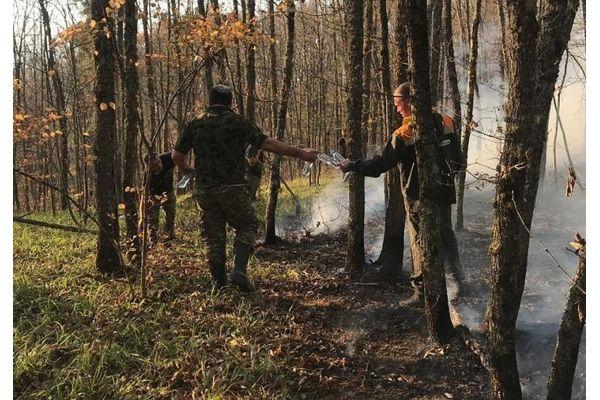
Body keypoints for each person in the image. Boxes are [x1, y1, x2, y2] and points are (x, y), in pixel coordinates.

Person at [171, 84, 318, 291]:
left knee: (214, 236)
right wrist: (301, 153)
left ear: (210, 100)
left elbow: (176, 156)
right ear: (230, 102)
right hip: (232, 186)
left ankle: (219, 285)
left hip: (204, 190)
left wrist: (188, 171)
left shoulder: (195, 123)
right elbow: (267, 143)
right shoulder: (236, 121)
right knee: (248, 225)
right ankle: (239, 271)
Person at [339, 82, 464, 304]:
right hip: (444, 192)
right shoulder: (447, 121)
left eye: (398, 104)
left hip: (419, 197)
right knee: (445, 235)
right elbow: (458, 161)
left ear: (408, 102)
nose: (396, 110)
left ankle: (422, 292)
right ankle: (458, 281)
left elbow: (379, 165)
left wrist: (351, 165)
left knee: (419, 241)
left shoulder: (405, 133)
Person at [146, 152, 177, 243]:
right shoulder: (148, 177)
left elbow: (180, 154)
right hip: (154, 195)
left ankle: (168, 239)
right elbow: (147, 196)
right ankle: (153, 243)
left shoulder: (168, 158)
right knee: (153, 220)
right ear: (149, 167)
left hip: (169, 192)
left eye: (159, 161)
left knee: (171, 216)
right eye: (155, 165)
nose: (159, 165)